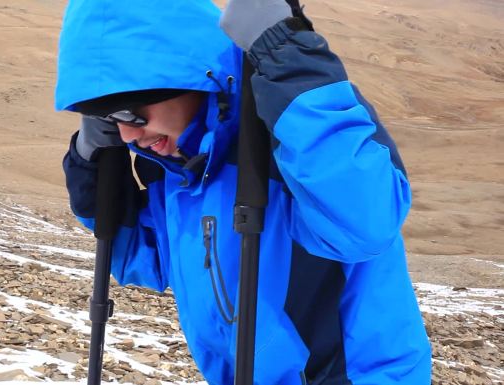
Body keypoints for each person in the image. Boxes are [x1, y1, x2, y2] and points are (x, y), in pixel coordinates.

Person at [55, 0, 432, 384]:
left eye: (132, 112)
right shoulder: (179, 167)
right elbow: (145, 262)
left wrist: (292, 63)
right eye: (108, 117)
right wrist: (90, 170)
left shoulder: (286, 136)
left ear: (190, 76)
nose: (128, 135)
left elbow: (365, 226)